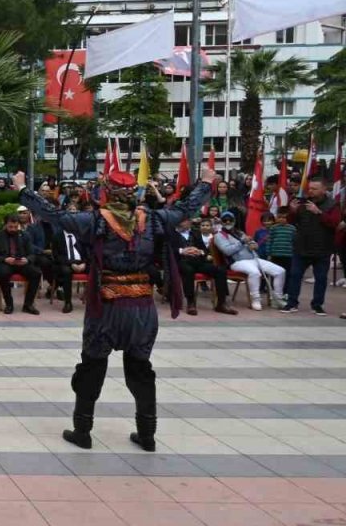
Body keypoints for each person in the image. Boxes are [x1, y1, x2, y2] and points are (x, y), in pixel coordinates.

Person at [15, 167, 214, 453]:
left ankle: (83, 431)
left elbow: (55, 215)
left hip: (106, 305)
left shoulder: (94, 220)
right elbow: (186, 208)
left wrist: (23, 189)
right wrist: (206, 183)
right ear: (136, 194)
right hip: (141, 305)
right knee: (141, 368)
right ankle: (147, 435)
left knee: (92, 366)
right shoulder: (154, 219)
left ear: (105, 191)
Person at [281, 178, 342, 316]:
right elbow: (290, 221)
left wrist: (319, 212)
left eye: (315, 189)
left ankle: (317, 305)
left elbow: (334, 223)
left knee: (320, 278)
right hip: (301, 246)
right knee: (295, 275)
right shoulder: (303, 203)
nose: (311, 191)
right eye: (310, 188)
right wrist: (292, 211)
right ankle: (291, 303)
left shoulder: (333, 205)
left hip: (322, 248)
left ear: (324, 190)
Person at [214, 211, 285, 311]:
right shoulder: (219, 236)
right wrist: (242, 242)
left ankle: (277, 298)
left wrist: (253, 245)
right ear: (221, 222)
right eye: (225, 220)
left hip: (254, 259)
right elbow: (227, 251)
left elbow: (251, 243)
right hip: (237, 262)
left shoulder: (240, 232)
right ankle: (255, 300)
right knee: (255, 272)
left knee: (280, 271)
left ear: (234, 221)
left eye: (230, 220)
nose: (228, 222)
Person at [168, 218, 235, 315]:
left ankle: (221, 303)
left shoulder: (196, 233)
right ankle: (191, 303)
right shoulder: (171, 235)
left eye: (186, 221)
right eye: (182, 221)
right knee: (188, 270)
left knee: (220, 270)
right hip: (182, 261)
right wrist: (182, 251)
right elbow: (167, 251)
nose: (184, 223)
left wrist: (200, 251)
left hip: (198, 260)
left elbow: (204, 249)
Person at [0, 215, 41, 315]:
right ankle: (9, 304)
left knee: (36, 273)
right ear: (5, 225)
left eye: (15, 227)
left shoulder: (25, 235)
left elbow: (32, 254)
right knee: (3, 274)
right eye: (11, 227)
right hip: (5, 263)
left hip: (21, 263)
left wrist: (27, 260)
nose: (13, 229)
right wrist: (5, 259)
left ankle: (28, 304)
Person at [52, 214, 90, 314]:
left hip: (81, 262)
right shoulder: (57, 236)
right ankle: (68, 302)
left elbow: (88, 252)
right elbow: (56, 255)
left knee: (96, 269)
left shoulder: (81, 235)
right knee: (66, 272)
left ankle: (94, 301)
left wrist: (85, 263)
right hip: (65, 262)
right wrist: (71, 263)